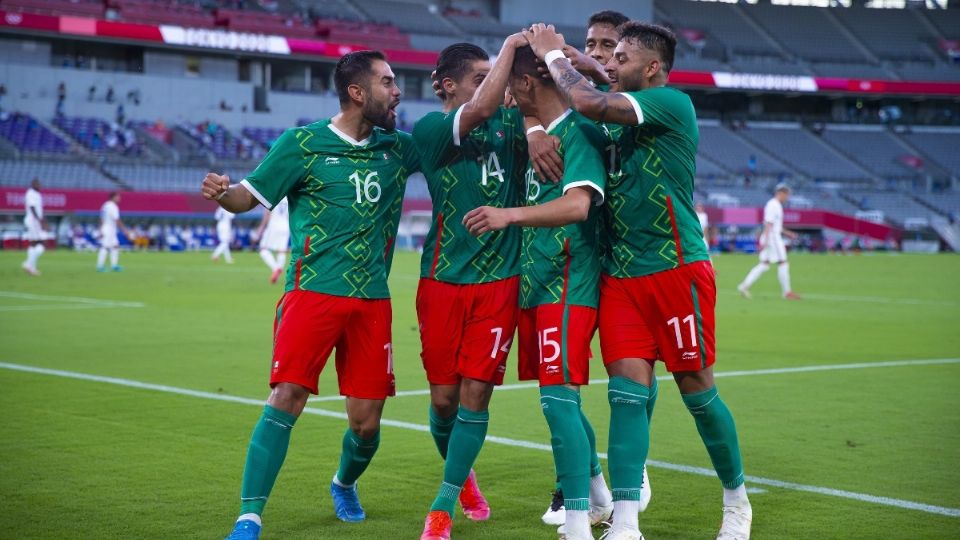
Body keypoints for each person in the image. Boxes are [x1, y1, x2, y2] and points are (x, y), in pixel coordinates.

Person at [527, 21, 753, 540]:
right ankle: (626, 522)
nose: (612, 62)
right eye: (608, 54)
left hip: (676, 270)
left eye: (622, 56)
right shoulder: (606, 115)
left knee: (698, 393)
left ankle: (736, 501)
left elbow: (589, 104)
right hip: (620, 278)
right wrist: (535, 123)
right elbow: (557, 107)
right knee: (626, 397)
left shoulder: (672, 104)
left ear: (652, 68)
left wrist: (556, 58)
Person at [202, 50, 420, 540]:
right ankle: (249, 516)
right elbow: (246, 198)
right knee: (286, 396)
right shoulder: (302, 143)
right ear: (357, 92)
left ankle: (343, 483)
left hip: (372, 301)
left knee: (366, 425)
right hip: (312, 293)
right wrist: (223, 191)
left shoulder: (399, 147)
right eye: (387, 82)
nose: (397, 90)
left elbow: (457, 140)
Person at [462, 44, 616, 540]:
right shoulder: (542, 135)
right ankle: (599, 497)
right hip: (538, 283)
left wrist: (508, 215)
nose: (504, 92)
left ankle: (575, 523)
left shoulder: (578, 135)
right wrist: (531, 127)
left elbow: (577, 207)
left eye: (510, 83)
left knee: (557, 401)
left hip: (569, 284)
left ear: (527, 85)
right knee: (558, 399)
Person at [413, 36, 563, 540]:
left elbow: (542, 104)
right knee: (442, 402)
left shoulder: (513, 122)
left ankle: (443, 504)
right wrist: (508, 48)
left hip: (500, 282)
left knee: (477, 393)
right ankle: (466, 479)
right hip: (441, 280)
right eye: (482, 76)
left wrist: (535, 124)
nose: (494, 85)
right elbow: (477, 109)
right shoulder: (431, 129)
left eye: (495, 74)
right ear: (448, 85)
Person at [536, 10, 661, 528]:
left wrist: (558, 54)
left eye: (610, 46)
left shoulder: (632, 103)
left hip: (638, 260)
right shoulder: (579, 111)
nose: (601, 54)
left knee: (629, 377)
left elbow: (595, 87)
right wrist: (533, 126)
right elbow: (543, 99)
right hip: (593, 259)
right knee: (565, 381)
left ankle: (633, 473)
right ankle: (585, 484)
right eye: (592, 43)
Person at [737, 184, 800, 300]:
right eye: (787, 195)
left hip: (771, 237)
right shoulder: (773, 205)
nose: (787, 197)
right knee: (783, 262)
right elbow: (769, 224)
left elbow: (775, 225)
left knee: (764, 264)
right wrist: (765, 240)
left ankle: (744, 286)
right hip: (772, 238)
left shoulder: (774, 205)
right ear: (782, 193)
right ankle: (787, 292)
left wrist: (788, 233)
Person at [255, 197, 289, 283]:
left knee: (263, 249)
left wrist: (261, 227)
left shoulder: (275, 194)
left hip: (274, 226)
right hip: (285, 226)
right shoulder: (289, 197)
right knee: (281, 251)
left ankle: (276, 268)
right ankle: (279, 268)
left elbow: (267, 213)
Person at [96, 192, 130, 272]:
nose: (119, 198)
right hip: (109, 228)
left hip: (107, 227)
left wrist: (100, 229)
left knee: (115, 246)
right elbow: (116, 219)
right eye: (118, 197)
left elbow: (101, 218)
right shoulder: (113, 206)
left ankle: (114, 265)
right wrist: (125, 230)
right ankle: (100, 266)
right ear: (113, 197)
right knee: (105, 246)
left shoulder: (105, 205)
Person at [21, 178, 47, 276]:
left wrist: (42, 219)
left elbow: (39, 209)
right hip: (33, 221)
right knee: (41, 244)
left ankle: (32, 268)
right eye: (38, 184)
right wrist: (39, 220)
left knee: (33, 244)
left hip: (34, 221)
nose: (40, 186)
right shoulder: (31, 194)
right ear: (33, 184)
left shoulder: (36, 194)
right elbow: (32, 207)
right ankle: (28, 263)